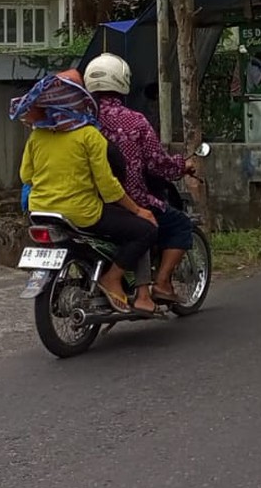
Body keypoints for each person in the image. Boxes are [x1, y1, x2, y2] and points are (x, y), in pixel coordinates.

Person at [11, 69, 159, 316]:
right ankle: (112, 278)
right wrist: (137, 209)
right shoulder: (90, 135)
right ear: (79, 102)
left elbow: (26, 176)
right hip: (82, 214)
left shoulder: (38, 135)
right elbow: (108, 186)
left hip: (40, 212)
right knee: (145, 229)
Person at [83, 53, 196, 305]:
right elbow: (158, 164)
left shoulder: (80, 121)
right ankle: (163, 284)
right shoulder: (135, 121)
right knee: (178, 223)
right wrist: (182, 165)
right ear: (122, 82)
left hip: (86, 200)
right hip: (128, 199)